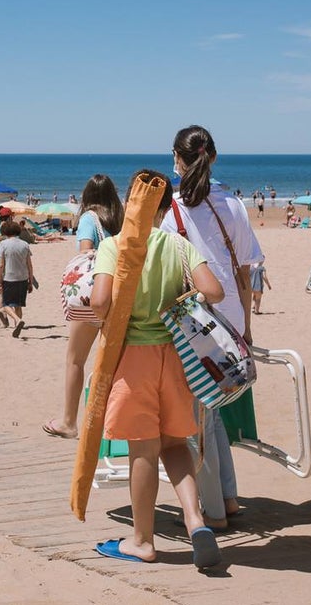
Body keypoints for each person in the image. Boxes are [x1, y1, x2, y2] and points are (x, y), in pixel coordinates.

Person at [91, 169, 225, 567]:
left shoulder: (114, 246)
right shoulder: (178, 245)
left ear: (130, 203)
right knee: (175, 443)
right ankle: (195, 521)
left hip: (134, 359)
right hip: (176, 356)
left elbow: (100, 302)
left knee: (142, 450)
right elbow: (214, 291)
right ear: (166, 208)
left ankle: (142, 541)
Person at [161, 125, 263, 529]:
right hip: (231, 320)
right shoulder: (233, 205)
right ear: (214, 157)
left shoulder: (172, 210)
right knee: (212, 412)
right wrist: (247, 327)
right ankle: (228, 497)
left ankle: (214, 512)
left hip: (196, 327)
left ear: (176, 158)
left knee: (193, 420)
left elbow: (171, 275)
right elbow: (244, 272)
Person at [42, 173, 123, 440]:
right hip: (117, 297)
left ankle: (68, 421)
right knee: (112, 362)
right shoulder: (119, 220)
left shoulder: (89, 218)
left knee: (75, 360)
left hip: (93, 296)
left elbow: (86, 252)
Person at [0, 221, 34, 338]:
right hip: (23, 278)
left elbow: (1, 265)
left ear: (5, 232)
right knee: (18, 305)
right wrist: (30, 281)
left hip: (9, 278)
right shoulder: (25, 244)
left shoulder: (3, 244)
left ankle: (17, 320)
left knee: (5, 304)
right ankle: (17, 325)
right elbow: (29, 265)